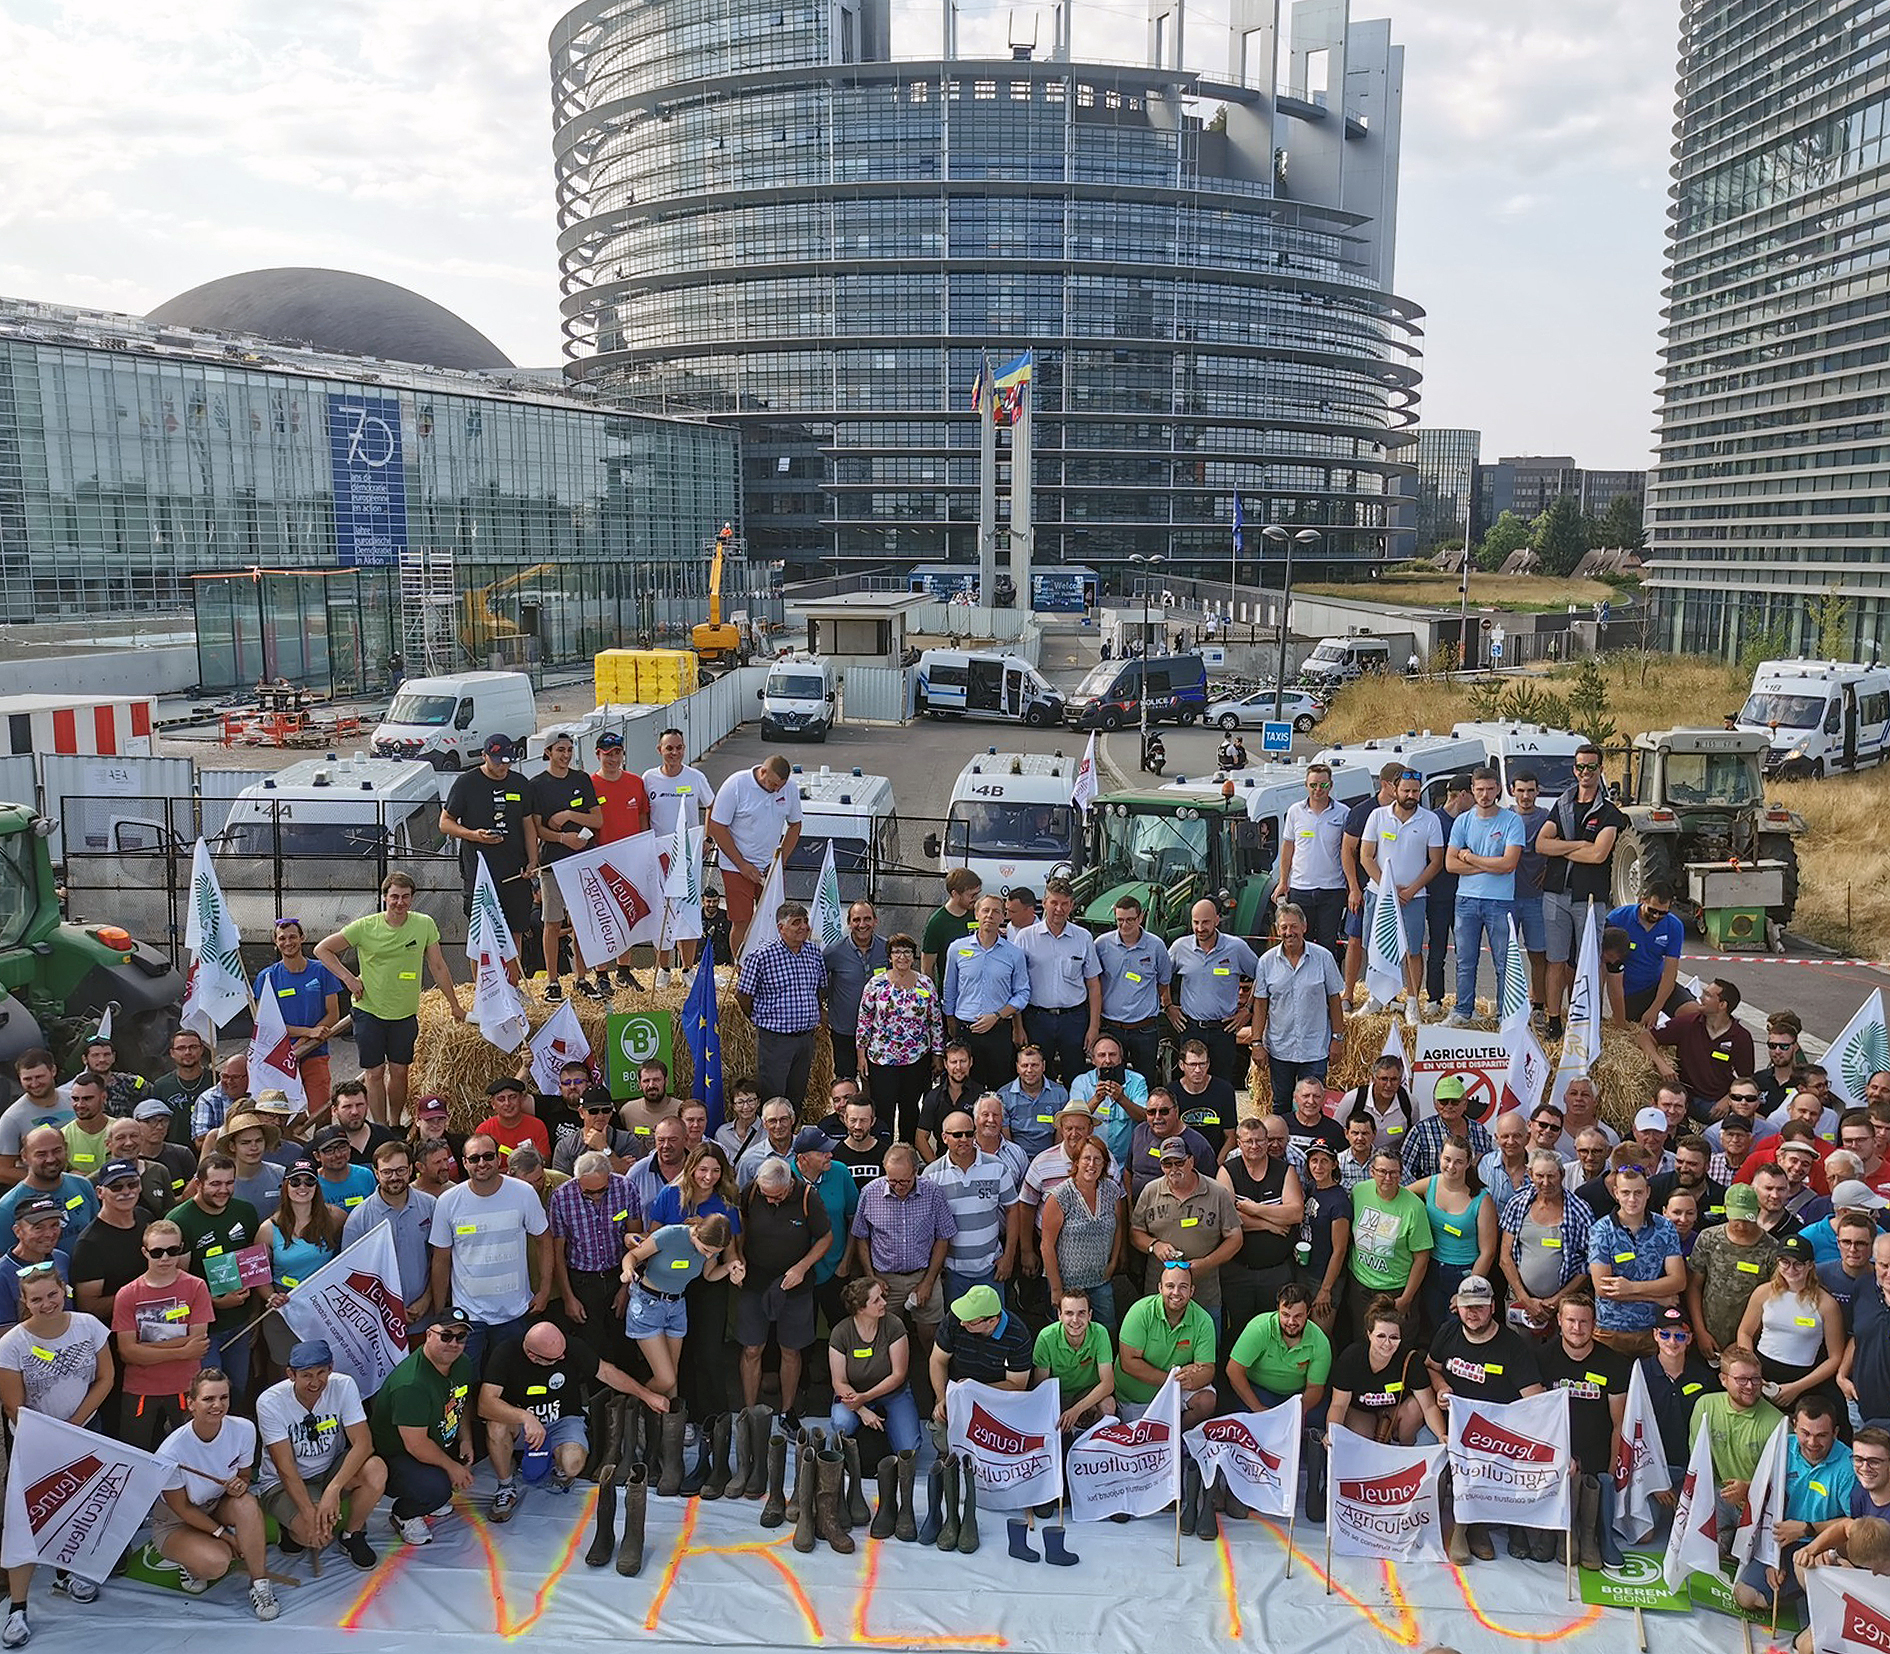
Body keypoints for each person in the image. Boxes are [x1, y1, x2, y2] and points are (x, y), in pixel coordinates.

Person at [0, 1263, 114, 1638]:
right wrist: (55, 1435)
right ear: (24, 1301)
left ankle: (67, 1571)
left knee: (80, 1507)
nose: (47, 1303)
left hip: (84, 1431)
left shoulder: (89, 1326)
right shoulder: (11, 1345)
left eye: (52, 1295)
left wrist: (76, 1423)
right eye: (37, 1299)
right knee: (29, 1518)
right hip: (36, 1442)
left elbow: (106, 1377)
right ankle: (18, 1608)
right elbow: (14, 1406)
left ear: (63, 1290)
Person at [316, 873, 465, 1128]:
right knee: (374, 1072)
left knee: (399, 1071)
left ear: (412, 898)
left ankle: (395, 1124)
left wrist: (454, 1005)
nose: (399, 902)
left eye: (405, 897)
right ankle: (380, 1127)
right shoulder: (365, 926)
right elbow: (322, 949)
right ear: (384, 897)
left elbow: (438, 966)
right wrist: (349, 979)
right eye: (394, 896)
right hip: (369, 1010)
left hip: (404, 1013)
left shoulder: (424, 924)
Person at [481, 1320, 664, 1518]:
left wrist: (647, 1395)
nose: (562, 1358)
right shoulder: (506, 1353)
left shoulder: (570, 1347)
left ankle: (556, 1465)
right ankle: (505, 1486)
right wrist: (525, 1417)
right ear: (532, 1356)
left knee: (573, 1464)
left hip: (562, 1420)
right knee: (496, 1426)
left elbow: (607, 1372)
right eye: (554, 1359)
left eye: (563, 1353)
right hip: (522, 1424)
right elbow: (485, 1404)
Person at [1429, 1274, 1548, 1564]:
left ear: (1493, 1307)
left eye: (1480, 1306)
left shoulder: (1512, 1346)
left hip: (1496, 1433)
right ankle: (1461, 1525)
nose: (1472, 1313)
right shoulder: (1448, 1331)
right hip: (1454, 1425)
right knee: (1426, 1451)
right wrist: (1441, 1387)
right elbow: (1431, 1366)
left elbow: (1535, 1400)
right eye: (1467, 1306)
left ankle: (1482, 1524)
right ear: (1457, 1306)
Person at [151, 1370, 281, 1620]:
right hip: (177, 1520)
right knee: (217, 1563)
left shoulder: (244, 1429)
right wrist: (226, 1537)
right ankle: (190, 1563)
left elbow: (245, 1475)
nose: (218, 1405)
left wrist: (240, 1485)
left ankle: (260, 1583)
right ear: (191, 1403)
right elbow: (183, 1509)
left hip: (217, 1503)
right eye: (208, 1399)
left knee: (247, 1504)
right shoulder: (170, 1452)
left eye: (224, 1397)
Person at [255, 1339, 384, 1569]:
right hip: (284, 1482)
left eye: (321, 1373)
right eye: (306, 1375)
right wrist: (308, 1512)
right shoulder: (269, 1402)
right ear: (291, 1374)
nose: (315, 1382)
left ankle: (352, 1534)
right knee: (314, 1535)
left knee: (376, 1469)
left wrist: (333, 1489)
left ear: (331, 1368)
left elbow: (364, 1444)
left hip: (329, 1470)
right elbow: (285, 1467)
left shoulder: (344, 1385)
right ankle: (291, 1529)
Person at [429, 1133, 552, 1372]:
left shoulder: (523, 1193)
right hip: (467, 1317)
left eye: (487, 1156)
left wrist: (545, 1290)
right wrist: (440, 1313)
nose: (482, 1163)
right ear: (464, 1163)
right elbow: (441, 1260)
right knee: (466, 1380)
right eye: (474, 1158)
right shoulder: (448, 1202)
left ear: (498, 1159)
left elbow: (544, 1240)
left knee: (513, 1378)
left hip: (515, 1313)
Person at [1732, 1393, 1857, 1614]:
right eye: (1805, 1433)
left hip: (1823, 1544)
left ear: (1836, 1433)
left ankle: (1814, 1597)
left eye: (1821, 1435)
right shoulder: (1782, 1446)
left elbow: (1853, 1524)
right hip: (1780, 1538)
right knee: (1745, 1595)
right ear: (1794, 1426)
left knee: (1806, 1570)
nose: (1812, 1443)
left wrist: (1806, 1528)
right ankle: (1791, 1589)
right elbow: (1768, 1496)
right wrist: (1771, 1557)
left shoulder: (1848, 1468)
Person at [1536, 1293, 1629, 1568]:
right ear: (1559, 1321)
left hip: (1596, 1450)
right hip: (1555, 1448)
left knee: (1593, 1486)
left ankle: (1588, 1536)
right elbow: (1535, 1417)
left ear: (1594, 1324)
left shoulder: (1613, 1363)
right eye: (1571, 1321)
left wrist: (1611, 1471)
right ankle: (1554, 1533)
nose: (1577, 1328)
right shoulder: (1541, 1357)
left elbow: (1619, 1424)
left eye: (1584, 1322)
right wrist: (1557, 1455)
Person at [736, 1158, 830, 1428]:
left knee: (791, 1350)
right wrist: (738, 1258)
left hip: (794, 1284)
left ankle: (787, 1412)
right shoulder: (751, 1192)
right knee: (752, 1348)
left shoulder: (808, 1196)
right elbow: (740, 1228)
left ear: (789, 1185)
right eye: (766, 1195)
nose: (771, 1201)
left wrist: (802, 1267)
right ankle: (749, 1411)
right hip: (754, 1281)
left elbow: (826, 1237)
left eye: (777, 1197)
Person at [371, 1310, 478, 1546]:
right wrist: (452, 1467)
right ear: (429, 1334)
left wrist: (466, 1440)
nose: (454, 1343)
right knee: (437, 1488)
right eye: (446, 1336)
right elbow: (416, 1445)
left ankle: (434, 1489)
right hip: (398, 1453)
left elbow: (461, 1400)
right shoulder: (411, 1384)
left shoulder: (462, 1363)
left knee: (477, 1447)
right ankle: (404, 1514)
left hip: (438, 1434)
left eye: (460, 1337)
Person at [165, 1155, 260, 1401]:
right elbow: (177, 1282)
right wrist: (215, 1302)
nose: (223, 1190)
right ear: (198, 1184)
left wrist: (254, 1314)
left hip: (240, 1322)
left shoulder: (245, 1211)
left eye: (229, 1183)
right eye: (216, 1184)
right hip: (204, 1330)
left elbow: (254, 1264)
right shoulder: (179, 1220)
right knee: (208, 1394)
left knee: (236, 1390)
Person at [112, 1217, 213, 1448]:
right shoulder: (127, 1294)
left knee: (190, 1451)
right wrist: (181, 1350)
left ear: (181, 1249)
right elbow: (127, 1353)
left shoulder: (196, 1286)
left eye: (172, 1250)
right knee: (135, 1452)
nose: (165, 1258)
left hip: (185, 1387)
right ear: (145, 1252)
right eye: (157, 1252)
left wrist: (144, 1349)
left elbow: (197, 1345)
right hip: (140, 1389)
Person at [620, 1213, 742, 1399]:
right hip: (648, 1304)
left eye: (714, 1253)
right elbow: (633, 1255)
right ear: (696, 1234)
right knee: (666, 1379)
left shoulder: (712, 1248)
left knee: (673, 1377)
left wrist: (727, 1267)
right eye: (706, 1250)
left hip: (676, 1306)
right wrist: (628, 1270)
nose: (708, 1255)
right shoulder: (670, 1234)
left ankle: (670, 1416)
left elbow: (709, 1275)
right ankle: (633, 1406)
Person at [847, 1146, 955, 1349]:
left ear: (915, 1171)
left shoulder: (933, 1192)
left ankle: (931, 1367)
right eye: (892, 1181)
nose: (898, 1186)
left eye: (904, 1181)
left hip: (924, 1274)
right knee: (884, 1337)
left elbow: (943, 1238)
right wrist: (871, 1276)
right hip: (885, 1279)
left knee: (931, 1335)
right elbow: (861, 1236)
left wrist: (929, 1281)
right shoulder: (870, 1192)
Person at [1358, 767, 1446, 1012]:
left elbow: (1436, 861)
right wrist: (1388, 889)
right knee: (1376, 946)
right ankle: (1377, 997)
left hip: (1414, 898)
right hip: (1379, 894)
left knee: (1412, 951)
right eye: (1406, 790)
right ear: (1394, 789)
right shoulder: (1377, 816)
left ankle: (1412, 1001)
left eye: (1415, 791)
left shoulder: (1430, 820)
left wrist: (1411, 890)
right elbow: (1366, 856)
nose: (1411, 795)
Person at [530, 730, 608, 1004]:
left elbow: (597, 820)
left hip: (581, 860)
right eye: (560, 750)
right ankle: (552, 981)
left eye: (569, 750)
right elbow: (537, 828)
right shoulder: (537, 785)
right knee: (552, 922)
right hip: (553, 862)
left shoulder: (581, 779)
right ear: (548, 752)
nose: (565, 755)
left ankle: (582, 977)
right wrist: (563, 838)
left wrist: (568, 815)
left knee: (581, 922)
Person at [1132, 1138, 1242, 1330]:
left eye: (1179, 1162)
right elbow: (1135, 1232)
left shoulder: (1217, 1192)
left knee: (1206, 1346)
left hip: (1204, 1293)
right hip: (1160, 1295)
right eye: (1167, 1164)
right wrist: (1154, 1245)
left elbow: (1235, 1238)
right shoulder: (1151, 1191)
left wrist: (1207, 1262)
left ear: (1191, 1161)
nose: (1174, 1169)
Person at [1442, 767, 1523, 1027]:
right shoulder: (1463, 821)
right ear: (1472, 790)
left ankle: (1504, 1015)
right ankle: (1463, 1010)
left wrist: (1470, 857)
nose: (1485, 795)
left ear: (1498, 789)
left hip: (1501, 901)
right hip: (1466, 899)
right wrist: (1490, 864)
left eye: (1489, 789)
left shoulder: (1512, 821)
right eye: (1479, 789)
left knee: (1503, 962)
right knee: (1465, 961)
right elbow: (1450, 864)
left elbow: (1509, 864)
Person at [1689, 1344, 1786, 1558]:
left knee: (1749, 1557)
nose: (1750, 1386)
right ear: (1723, 1379)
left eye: (1756, 1379)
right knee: (1700, 1551)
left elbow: (1782, 1482)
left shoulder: (1777, 1422)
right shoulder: (1705, 1406)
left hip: (1758, 1504)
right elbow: (1697, 1464)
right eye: (1742, 1379)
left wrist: (1748, 1489)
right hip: (1718, 1494)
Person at [1247, 904, 1345, 1111]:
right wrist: (1256, 1043)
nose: (1289, 932)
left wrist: (1337, 1039)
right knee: (1281, 1105)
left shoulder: (1323, 958)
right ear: (1277, 929)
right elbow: (1261, 1005)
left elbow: (1335, 1000)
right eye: (1284, 927)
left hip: (1315, 1049)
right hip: (1280, 1049)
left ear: (1304, 927)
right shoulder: (1266, 962)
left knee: (1313, 1105)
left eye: (1293, 926)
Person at [737, 901, 829, 1110]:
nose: (804, 927)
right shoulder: (761, 956)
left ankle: (793, 1130)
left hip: (805, 1039)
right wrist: (759, 1019)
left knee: (797, 1094)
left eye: (805, 921)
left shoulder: (814, 953)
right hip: (775, 1040)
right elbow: (743, 995)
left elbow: (820, 988)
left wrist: (816, 1011)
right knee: (773, 1096)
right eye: (796, 922)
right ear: (781, 927)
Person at [707, 754, 803, 954]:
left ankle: (772, 962)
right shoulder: (736, 784)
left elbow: (795, 825)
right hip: (736, 866)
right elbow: (717, 827)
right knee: (742, 920)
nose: (776, 790)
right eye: (773, 784)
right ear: (763, 772)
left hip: (770, 867)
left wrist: (780, 861)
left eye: (781, 786)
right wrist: (742, 865)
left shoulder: (790, 789)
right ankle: (741, 965)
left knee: (776, 919)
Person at [1218, 1114, 1304, 1338]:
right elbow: (1227, 1219)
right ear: (1239, 1143)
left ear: (1267, 1142)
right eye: (1249, 1141)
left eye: (1259, 1140)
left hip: (1277, 1271)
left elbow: (1295, 1213)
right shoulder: (1227, 1171)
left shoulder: (1285, 1170)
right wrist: (1269, 1224)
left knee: (1274, 1329)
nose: (1255, 1146)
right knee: (1238, 1329)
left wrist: (1254, 1209)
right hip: (1238, 1271)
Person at [1588, 1161, 1687, 1355]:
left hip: (1654, 1330)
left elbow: (1678, 1281)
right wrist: (1655, 1297)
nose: (1632, 1199)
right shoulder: (1601, 1230)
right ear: (1616, 1193)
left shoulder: (1665, 1227)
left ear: (1648, 1192)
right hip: (1611, 1329)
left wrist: (1631, 1287)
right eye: (1626, 1192)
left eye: (1638, 1192)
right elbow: (1603, 1289)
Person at [921, 1111, 1019, 1303]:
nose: (964, 1139)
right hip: (951, 1274)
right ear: (944, 1137)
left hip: (991, 1269)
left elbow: (1013, 1210)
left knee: (993, 1321)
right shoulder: (931, 1176)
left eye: (969, 1133)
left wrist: (1009, 1257)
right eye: (957, 1135)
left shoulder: (997, 1167)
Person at [642, 728, 717, 982]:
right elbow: (643, 812)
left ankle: (687, 968)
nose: (674, 753)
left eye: (678, 748)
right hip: (658, 856)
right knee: (661, 912)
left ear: (684, 749)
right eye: (669, 748)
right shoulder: (649, 778)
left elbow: (712, 805)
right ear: (660, 750)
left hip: (687, 857)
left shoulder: (695, 777)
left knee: (688, 910)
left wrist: (708, 838)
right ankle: (663, 969)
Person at [855, 932, 943, 1144]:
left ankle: (907, 1150)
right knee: (883, 1108)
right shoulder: (876, 984)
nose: (902, 956)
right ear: (889, 956)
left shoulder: (926, 984)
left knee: (911, 1108)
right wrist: (861, 1055)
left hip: (916, 1059)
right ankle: (883, 1151)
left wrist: (937, 1054)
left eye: (907, 952)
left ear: (913, 956)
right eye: (897, 952)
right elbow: (864, 1021)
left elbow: (936, 1021)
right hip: (882, 1060)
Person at [1737, 1235, 1844, 1409]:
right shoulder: (1763, 1292)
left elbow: (1835, 1357)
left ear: (1810, 1265)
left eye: (1798, 1264)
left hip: (1803, 1379)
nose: (1791, 1269)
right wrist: (1752, 1371)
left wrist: (1797, 1387)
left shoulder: (1826, 1304)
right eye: (1785, 1262)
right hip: (1761, 1373)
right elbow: (1745, 1332)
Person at [1013, 876, 1101, 1086]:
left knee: (1076, 1076)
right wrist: (1018, 1027)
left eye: (1064, 904)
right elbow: (1015, 986)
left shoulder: (1083, 938)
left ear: (1072, 905)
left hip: (1074, 1020)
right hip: (1036, 1019)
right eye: (1054, 902)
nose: (1059, 909)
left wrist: (1094, 1027)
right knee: (1036, 1077)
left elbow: (1094, 985)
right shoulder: (1025, 938)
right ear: (1044, 903)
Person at [1498, 1151, 1595, 1336]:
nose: (1545, 1182)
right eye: (1539, 1176)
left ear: (1562, 1175)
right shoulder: (1517, 1204)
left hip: (1565, 1305)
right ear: (1530, 1174)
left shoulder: (1580, 1211)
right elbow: (1505, 1257)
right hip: (1520, 1301)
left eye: (1551, 1176)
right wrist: (1525, 1299)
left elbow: (1589, 1263)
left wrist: (1556, 1300)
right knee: (1519, 1350)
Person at [1327, 1295, 1445, 1445]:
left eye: (1394, 1337)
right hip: (1362, 1412)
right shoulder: (1350, 1359)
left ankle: (1406, 1449)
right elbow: (1338, 1405)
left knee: (1415, 1408)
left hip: (1395, 1412)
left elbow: (1429, 1406)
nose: (1387, 1344)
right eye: (1381, 1336)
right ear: (1369, 1334)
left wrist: (1441, 1435)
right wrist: (1332, 1433)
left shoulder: (1411, 1360)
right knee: (1361, 1440)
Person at [254, 920, 344, 1117]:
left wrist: (305, 1041)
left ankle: (322, 1138)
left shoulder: (322, 970)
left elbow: (333, 1014)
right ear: (275, 942)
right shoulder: (267, 977)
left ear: (303, 938)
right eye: (282, 938)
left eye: (293, 937)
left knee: (321, 1111)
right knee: (281, 1114)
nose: (288, 942)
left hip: (315, 1052)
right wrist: (308, 1032)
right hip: (279, 1058)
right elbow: (265, 1025)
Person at [941, 895, 1030, 1093]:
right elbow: (950, 988)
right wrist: (950, 1022)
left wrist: (997, 1015)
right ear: (976, 914)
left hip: (999, 1029)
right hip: (966, 1030)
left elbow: (1022, 993)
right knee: (966, 1089)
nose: (990, 915)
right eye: (985, 910)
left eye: (996, 911)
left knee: (1001, 1088)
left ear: (1003, 916)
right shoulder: (957, 949)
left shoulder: (1014, 954)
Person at [1168, 898, 1259, 1090]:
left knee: (1221, 1086)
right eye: (1196, 922)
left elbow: (1263, 975)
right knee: (1191, 1085)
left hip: (1223, 1030)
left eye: (1206, 922)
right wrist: (1168, 1007)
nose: (1200, 928)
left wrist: (1248, 1009)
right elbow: (1161, 977)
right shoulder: (1180, 948)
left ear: (1217, 920)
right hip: (1191, 1028)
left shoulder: (1236, 948)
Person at [1689, 1181, 1784, 1363]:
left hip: (1748, 1338)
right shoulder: (1709, 1238)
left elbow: (1773, 1301)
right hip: (1707, 1331)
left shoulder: (1771, 1249)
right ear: (1726, 1210)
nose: (1741, 1225)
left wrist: (1745, 1339)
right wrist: (1700, 1331)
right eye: (1736, 1219)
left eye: (1747, 1219)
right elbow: (1694, 1286)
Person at [1637, 979, 1755, 1121]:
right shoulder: (1688, 1023)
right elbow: (1644, 1037)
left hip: (1714, 1104)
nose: (1701, 998)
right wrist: (1662, 1065)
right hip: (1684, 1097)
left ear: (1722, 1005)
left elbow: (1746, 1078)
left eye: (1708, 995)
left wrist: (1728, 1099)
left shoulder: (1741, 1037)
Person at [828, 1275, 922, 1452]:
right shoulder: (840, 1333)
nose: (884, 1303)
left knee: (909, 1448)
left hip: (893, 1394)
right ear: (860, 1309)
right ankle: (853, 1445)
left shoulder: (894, 1325)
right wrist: (861, 1408)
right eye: (876, 1300)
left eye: (882, 1297)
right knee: (842, 1423)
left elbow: (898, 1375)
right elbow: (839, 1382)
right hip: (853, 1395)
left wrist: (866, 1397)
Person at [1115, 1261, 1216, 1425]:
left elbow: (1208, 1369)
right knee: (1144, 1439)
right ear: (1160, 1288)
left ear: (1192, 1291)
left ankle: (1181, 1436)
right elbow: (1128, 1363)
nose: (1176, 1292)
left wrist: (1193, 1379)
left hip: (1177, 1388)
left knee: (1206, 1401)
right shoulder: (1140, 1312)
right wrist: (1173, 1379)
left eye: (1183, 1287)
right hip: (1137, 1397)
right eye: (1170, 1286)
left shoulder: (1203, 1320)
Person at [1041, 1137, 1125, 1332]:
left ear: (1104, 1164)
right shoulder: (1060, 1196)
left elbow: (1118, 1227)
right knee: (1068, 1335)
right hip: (1067, 1285)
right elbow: (1046, 1245)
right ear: (1076, 1161)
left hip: (1101, 1280)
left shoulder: (1112, 1190)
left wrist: (1113, 1262)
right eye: (1087, 1158)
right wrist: (1056, 1289)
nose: (1092, 1164)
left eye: (1098, 1159)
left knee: (1107, 1331)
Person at [1412, 1135, 1497, 1328]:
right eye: (1447, 1159)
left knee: (1457, 1328)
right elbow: (1401, 1195)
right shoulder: (1431, 1183)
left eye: (1458, 1162)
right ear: (1440, 1158)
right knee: (1434, 1327)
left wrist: (1467, 1291)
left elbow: (1488, 1252)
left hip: (1464, 1272)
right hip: (1431, 1268)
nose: (1451, 1167)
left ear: (1468, 1163)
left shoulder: (1482, 1200)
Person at [1350, 1148, 1432, 1342]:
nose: (1388, 1178)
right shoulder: (1358, 1192)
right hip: (1361, 1285)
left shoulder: (1414, 1207)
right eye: (1382, 1172)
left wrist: (1406, 1298)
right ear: (1372, 1171)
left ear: (1401, 1174)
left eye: (1394, 1173)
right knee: (1362, 1340)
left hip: (1396, 1289)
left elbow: (1422, 1258)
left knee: (1395, 1342)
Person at [1341, 763, 1404, 1005]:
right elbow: (1347, 851)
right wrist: (1353, 888)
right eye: (1399, 784)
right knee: (1356, 940)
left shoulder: (1407, 811)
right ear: (1386, 784)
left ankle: (1389, 994)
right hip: (1365, 889)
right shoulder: (1363, 812)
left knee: (1394, 942)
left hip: (1399, 891)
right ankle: (1348, 993)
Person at [1226, 1282, 1330, 1427]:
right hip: (1260, 1389)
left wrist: (1298, 1412)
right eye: (1285, 1315)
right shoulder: (1259, 1328)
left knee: (1320, 1418)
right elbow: (1234, 1370)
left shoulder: (1320, 1341)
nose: (1291, 1322)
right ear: (1278, 1310)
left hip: (1297, 1396)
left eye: (1298, 1316)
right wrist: (1258, 1409)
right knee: (1255, 1420)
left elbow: (1315, 1387)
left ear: (1308, 1312)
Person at [1095, 894, 1173, 1085]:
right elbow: (1094, 982)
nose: (1124, 925)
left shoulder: (1156, 946)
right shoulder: (1102, 945)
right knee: (1110, 1082)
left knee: (1145, 1082)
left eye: (1130, 920)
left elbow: (1163, 982)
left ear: (1141, 917)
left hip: (1144, 1029)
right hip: (1111, 1027)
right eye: (1120, 920)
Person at [1277, 762, 1351, 959]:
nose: (1318, 789)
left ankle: (1329, 978)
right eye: (1313, 785)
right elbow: (1288, 848)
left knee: (1328, 944)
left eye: (1323, 785)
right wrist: (1283, 881)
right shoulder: (1295, 812)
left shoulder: (1343, 813)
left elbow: (1348, 851)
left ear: (1331, 785)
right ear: (1306, 785)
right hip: (1300, 888)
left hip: (1332, 889)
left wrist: (1351, 885)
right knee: (1301, 942)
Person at [929, 1282, 1033, 1415]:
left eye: (971, 1321)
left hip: (996, 1401)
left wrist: (972, 1388)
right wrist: (942, 1398)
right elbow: (937, 1360)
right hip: (954, 1394)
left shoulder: (1018, 1336)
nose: (962, 1323)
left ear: (992, 1321)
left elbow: (1017, 1385)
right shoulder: (955, 1319)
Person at [1608, 882, 1693, 1027]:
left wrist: (1655, 1009)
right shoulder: (1617, 918)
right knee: (1633, 1029)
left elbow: (1670, 972)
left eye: (1662, 913)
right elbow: (1607, 966)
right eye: (1652, 910)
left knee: (1693, 1013)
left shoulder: (1674, 926)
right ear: (1643, 900)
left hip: (1656, 984)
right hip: (1630, 992)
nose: (1656, 916)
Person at [1032, 1286, 1116, 1431]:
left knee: (1108, 1405)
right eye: (1069, 1313)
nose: (1075, 1320)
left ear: (1090, 1315)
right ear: (1059, 1315)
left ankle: (1096, 1440)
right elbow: (1041, 1386)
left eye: (1081, 1313)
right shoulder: (1046, 1337)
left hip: (1087, 1395)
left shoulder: (1100, 1333)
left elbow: (1108, 1384)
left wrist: (1076, 1410)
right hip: (1059, 1396)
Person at [825, 901, 890, 1087]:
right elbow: (817, 982)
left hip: (879, 1030)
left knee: (876, 1083)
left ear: (876, 921)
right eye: (856, 920)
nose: (862, 925)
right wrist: (821, 1010)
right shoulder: (834, 952)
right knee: (846, 1082)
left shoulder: (887, 949)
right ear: (849, 923)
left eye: (867, 919)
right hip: (845, 1029)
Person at [1067, 1034, 1149, 1169]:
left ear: (1121, 1058)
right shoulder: (1081, 1082)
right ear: (1093, 1060)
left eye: (1112, 1055)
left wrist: (1122, 1099)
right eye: (1101, 1055)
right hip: (1092, 1162)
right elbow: (1074, 1121)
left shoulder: (1137, 1080)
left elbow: (1144, 1117)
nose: (1107, 1060)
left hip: (1127, 1162)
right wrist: (1096, 1099)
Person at [1400, 1074, 1494, 1184]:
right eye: (1443, 1102)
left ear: (1465, 1104)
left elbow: (1491, 1169)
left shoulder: (1480, 1131)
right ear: (1435, 1104)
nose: (1449, 1106)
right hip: (1431, 1194)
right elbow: (1403, 1170)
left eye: (1455, 1102)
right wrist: (1420, 1191)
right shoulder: (1420, 1131)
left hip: (1473, 1192)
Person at [1127, 1089, 1214, 1201]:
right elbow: (1128, 1171)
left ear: (1176, 1111)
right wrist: (1130, 1203)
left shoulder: (1198, 1144)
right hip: (1140, 1207)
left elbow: (1210, 1186)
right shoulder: (1139, 1132)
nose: (1157, 1117)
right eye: (1151, 1112)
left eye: (1164, 1111)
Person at [999, 1044, 1071, 1164]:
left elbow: (1062, 1131)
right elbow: (1006, 1138)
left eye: (1034, 1065)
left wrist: (1054, 1159)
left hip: (1051, 1156)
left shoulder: (1059, 1093)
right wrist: (1016, 1160)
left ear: (1043, 1066)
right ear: (1017, 1068)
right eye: (1024, 1065)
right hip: (1015, 1157)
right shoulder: (1004, 1095)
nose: (1029, 1070)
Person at [150, 1031, 215, 1150]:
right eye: (181, 1048)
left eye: (193, 1047)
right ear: (172, 1053)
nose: (187, 1052)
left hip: (210, 1152)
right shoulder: (161, 1086)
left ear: (201, 1050)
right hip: (175, 1154)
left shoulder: (217, 1081)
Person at [1172, 1038, 1237, 1158]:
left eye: (1202, 1064)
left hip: (1216, 1156)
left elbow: (1231, 1137)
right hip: (1181, 1158)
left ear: (1208, 1064)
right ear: (1181, 1065)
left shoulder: (1224, 1090)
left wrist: (1216, 1165)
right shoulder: (1171, 1092)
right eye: (1192, 1065)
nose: (1198, 1070)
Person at [921, 868, 983, 985]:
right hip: (950, 988)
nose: (976, 899)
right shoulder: (937, 922)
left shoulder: (978, 914)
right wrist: (932, 992)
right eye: (972, 895)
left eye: (978, 893)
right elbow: (927, 967)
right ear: (955, 894)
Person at [476, 1075, 551, 1166]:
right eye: (501, 1099)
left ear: (521, 1099)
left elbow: (545, 1162)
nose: (507, 1103)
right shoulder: (484, 1130)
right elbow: (481, 1165)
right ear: (493, 1104)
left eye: (512, 1097)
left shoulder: (537, 1125)